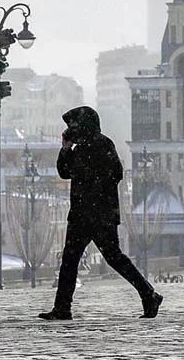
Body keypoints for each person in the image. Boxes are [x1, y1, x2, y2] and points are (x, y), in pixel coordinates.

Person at [38, 106, 162, 320]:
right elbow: (64, 172)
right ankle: (62, 307)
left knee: (113, 258)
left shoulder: (103, 144)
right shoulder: (80, 148)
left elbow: (115, 174)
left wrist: (91, 182)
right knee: (70, 259)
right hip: (81, 214)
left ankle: (148, 294)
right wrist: (65, 148)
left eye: (74, 126)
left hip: (99, 214)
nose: (72, 130)